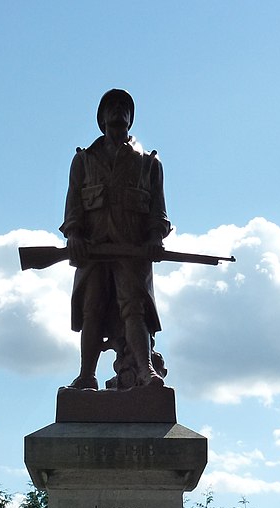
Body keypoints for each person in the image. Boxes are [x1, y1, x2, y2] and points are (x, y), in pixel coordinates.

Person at [60, 89, 172, 390]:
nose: (118, 110)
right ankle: (87, 375)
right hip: (93, 248)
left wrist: (153, 237)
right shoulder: (84, 161)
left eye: (124, 106)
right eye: (112, 105)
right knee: (91, 308)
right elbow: (73, 205)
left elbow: (158, 211)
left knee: (133, 309)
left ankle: (146, 371)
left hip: (132, 250)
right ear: (101, 117)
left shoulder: (148, 163)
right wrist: (73, 235)